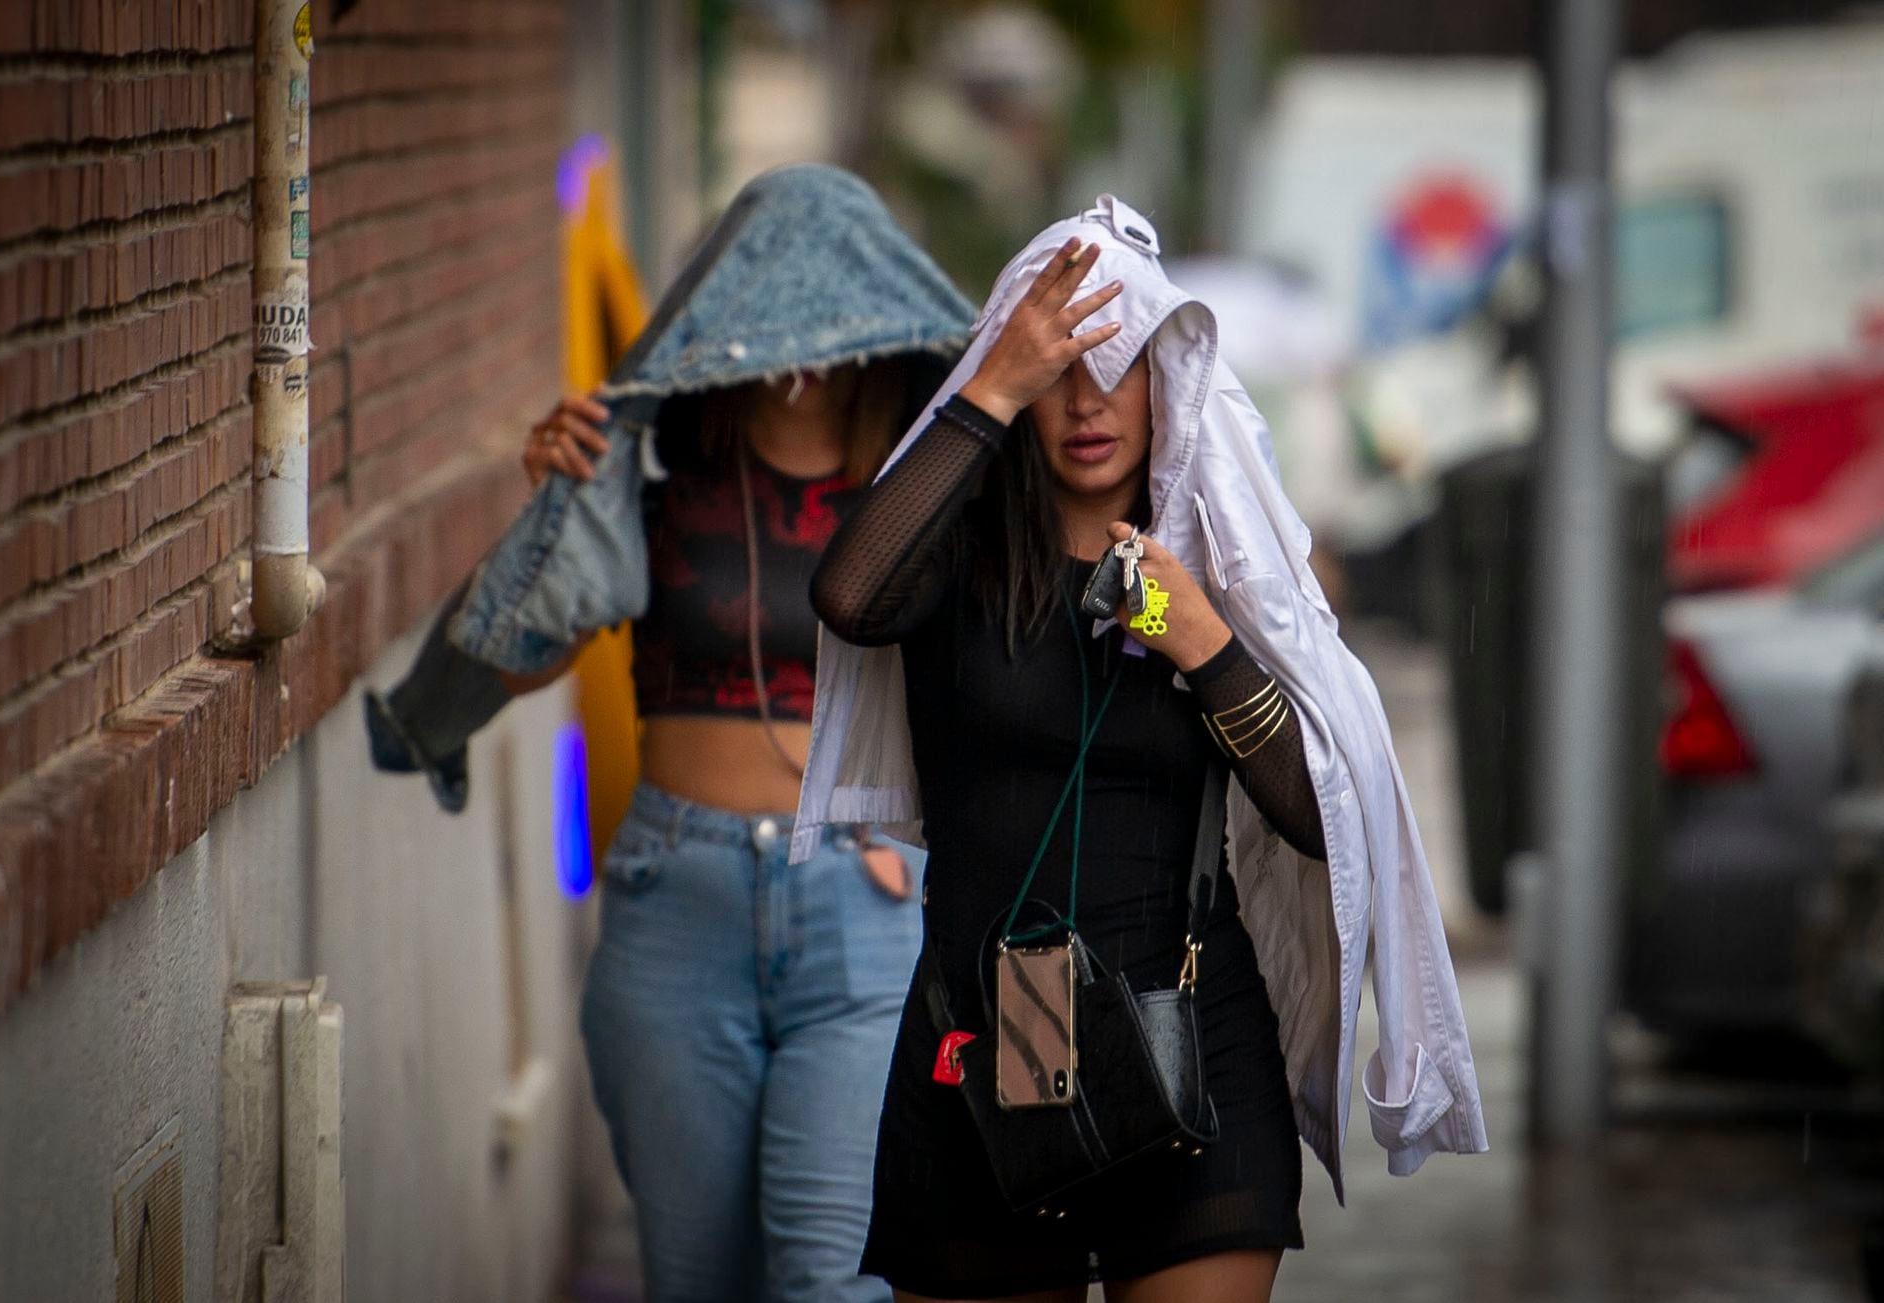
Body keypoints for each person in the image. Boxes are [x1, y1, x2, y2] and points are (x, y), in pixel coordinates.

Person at [802, 196, 1486, 1301]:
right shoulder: (954, 551)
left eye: (1119, 364)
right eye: (1058, 367)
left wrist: (1202, 642)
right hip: (981, 1057)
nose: (1087, 401)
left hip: (1192, 1056)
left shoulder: (1224, 567)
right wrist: (990, 384)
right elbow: (846, 594)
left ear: (1171, 379)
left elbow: (1322, 819)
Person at [515, 165, 974, 1301]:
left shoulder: (926, 479)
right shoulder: (657, 459)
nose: (804, 341)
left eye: (833, 301)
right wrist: (552, 510)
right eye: (775, 294)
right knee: (698, 1282)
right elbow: (529, 657)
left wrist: (915, 839)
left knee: (833, 1280)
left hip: (860, 906)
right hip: (679, 895)